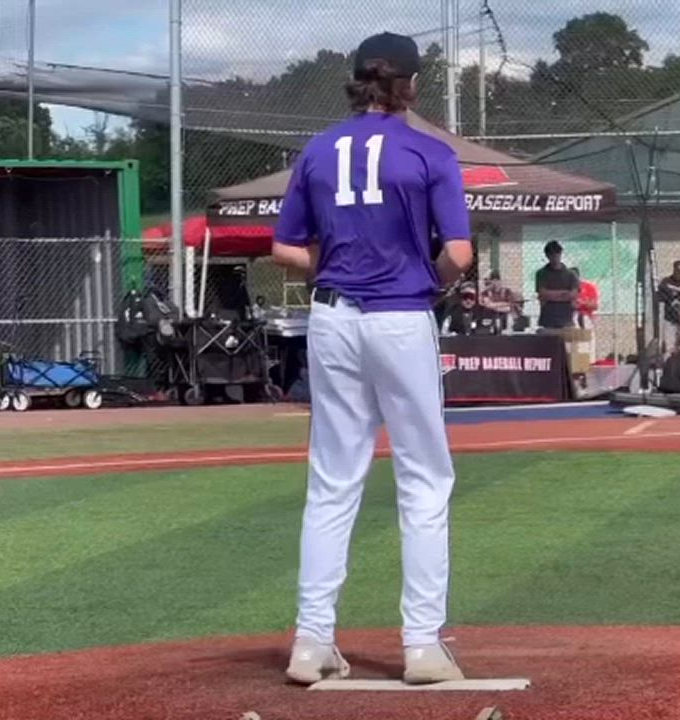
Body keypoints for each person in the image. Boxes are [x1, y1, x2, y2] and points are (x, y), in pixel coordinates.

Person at [270, 32, 472, 686]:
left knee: (333, 481)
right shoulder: (431, 152)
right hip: (401, 317)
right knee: (424, 479)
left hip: (332, 317)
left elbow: (285, 249)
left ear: (357, 80)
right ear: (410, 84)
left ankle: (311, 642)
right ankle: (421, 646)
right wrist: (427, 283)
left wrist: (336, 267)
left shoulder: (318, 149)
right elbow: (459, 254)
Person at [535, 241, 579, 330]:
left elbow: (573, 295)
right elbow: (543, 294)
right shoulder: (541, 273)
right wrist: (564, 293)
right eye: (551, 255)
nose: (554, 258)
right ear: (547, 256)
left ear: (560, 254)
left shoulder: (571, 274)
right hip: (548, 319)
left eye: (556, 254)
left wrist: (551, 295)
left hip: (566, 318)